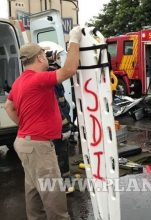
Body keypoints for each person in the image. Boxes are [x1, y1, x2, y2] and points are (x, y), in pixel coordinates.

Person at [4, 26, 82, 220]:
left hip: (25, 143)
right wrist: (74, 40)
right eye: (44, 55)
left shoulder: (20, 81)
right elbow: (70, 69)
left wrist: (25, 125)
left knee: (34, 193)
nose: (47, 58)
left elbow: (8, 107)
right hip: (38, 146)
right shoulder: (39, 79)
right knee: (54, 197)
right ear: (39, 58)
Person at [39, 41, 74, 194]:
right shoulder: (50, 78)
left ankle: (60, 185)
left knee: (57, 156)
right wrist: (65, 127)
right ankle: (63, 186)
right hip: (56, 127)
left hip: (53, 126)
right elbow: (57, 106)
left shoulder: (45, 77)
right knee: (60, 156)